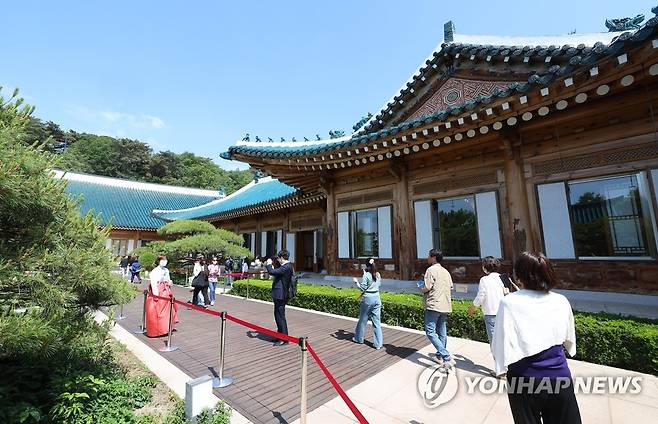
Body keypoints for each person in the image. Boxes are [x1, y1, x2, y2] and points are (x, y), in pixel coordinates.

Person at [492, 252, 580, 424]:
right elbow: (569, 338)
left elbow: (500, 343)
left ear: (520, 276)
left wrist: (500, 366)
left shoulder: (510, 302)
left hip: (524, 377)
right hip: (559, 375)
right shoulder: (561, 300)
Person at [420, 249, 455, 368]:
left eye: (429, 256)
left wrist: (421, 287)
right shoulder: (446, 271)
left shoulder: (430, 270)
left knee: (430, 332)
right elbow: (450, 287)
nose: (427, 258)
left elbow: (427, 287)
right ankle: (440, 356)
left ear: (433, 257)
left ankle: (445, 355)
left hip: (434, 304)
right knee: (442, 332)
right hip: (445, 305)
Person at [468, 256, 506, 345]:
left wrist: (473, 307)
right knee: (504, 339)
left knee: (494, 341)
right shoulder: (503, 278)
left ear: (485, 267)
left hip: (490, 313)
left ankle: (498, 358)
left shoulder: (484, 280)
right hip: (504, 312)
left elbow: (481, 296)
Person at [352, 258, 383, 350]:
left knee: (362, 320)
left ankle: (358, 338)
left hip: (368, 299)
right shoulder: (378, 274)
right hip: (377, 298)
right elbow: (379, 285)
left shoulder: (366, 275)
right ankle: (378, 344)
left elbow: (362, 288)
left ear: (366, 265)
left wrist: (356, 282)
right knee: (377, 322)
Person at [146, 255, 179, 337]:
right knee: (156, 311)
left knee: (167, 311)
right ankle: (158, 330)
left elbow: (168, 279)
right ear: (158, 261)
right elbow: (153, 283)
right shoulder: (154, 271)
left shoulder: (166, 270)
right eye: (162, 260)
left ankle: (166, 328)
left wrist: (170, 283)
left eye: (165, 260)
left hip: (166, 291)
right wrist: (156, 295)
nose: (164, 261)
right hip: (158, 292)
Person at [265, 250, 293, 346]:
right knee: (278, 315)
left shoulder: (286, 267)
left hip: (281, 294)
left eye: (278, 258)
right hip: (279, 294)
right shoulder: (286, 266)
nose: (277, 260)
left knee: (280, 316)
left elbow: (272, 271)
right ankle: (280, 335)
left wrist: (268, 264)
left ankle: (284, 339)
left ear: (281, 258)